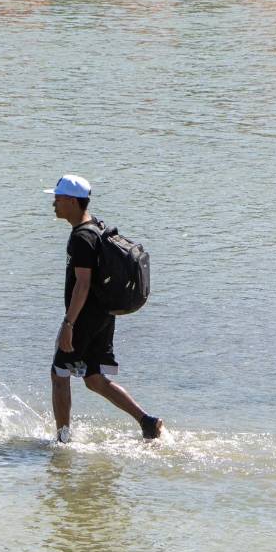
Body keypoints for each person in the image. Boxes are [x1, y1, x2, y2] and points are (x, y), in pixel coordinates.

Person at [44, 174, 162, 444]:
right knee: (94, 377)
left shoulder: (81, 238)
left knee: (59, 374)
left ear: (73, 201)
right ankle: (148, 422)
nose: (54, 204)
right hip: (104, 314)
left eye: (58, 199)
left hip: (84, 317)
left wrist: (69, 324)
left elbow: (82, 285)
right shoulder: (96, 227)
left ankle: (62, 441)